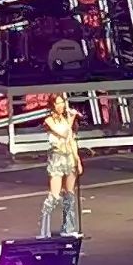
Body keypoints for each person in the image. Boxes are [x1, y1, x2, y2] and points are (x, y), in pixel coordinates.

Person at [39, 94, 82, 237]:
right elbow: (63, 133)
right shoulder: (49, 121)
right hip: (57, 159)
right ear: (52, 105)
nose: (61, 106)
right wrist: (71, 119)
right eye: (58, 103)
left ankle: (68, 228)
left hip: (69, 157)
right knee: (55, 195)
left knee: (69, 194)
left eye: (62, 102)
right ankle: (44, 229)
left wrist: (77, 159)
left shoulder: (65, 119)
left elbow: (71, 140)